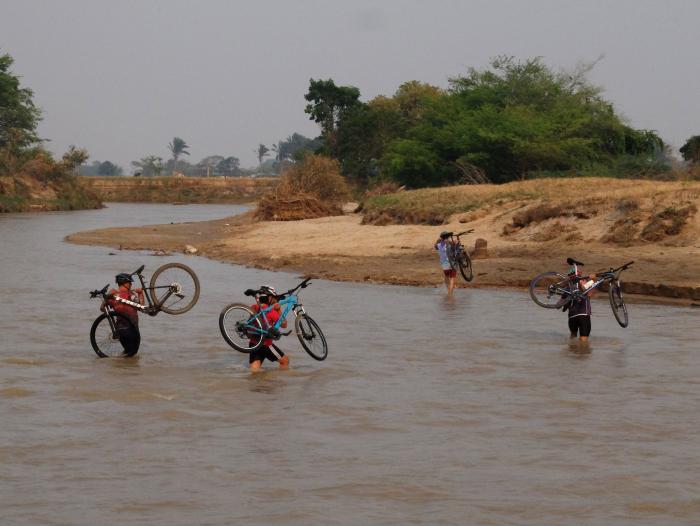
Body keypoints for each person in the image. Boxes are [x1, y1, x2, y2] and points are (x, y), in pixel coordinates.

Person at [248, 285, 290, 371]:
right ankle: (279, 382)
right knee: (285, 361)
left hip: (253, 343)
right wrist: (278, 310)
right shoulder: (271, 311)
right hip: (265, 344)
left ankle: (257, 384)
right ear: (269, 297)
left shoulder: (254, 307)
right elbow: (284, 324)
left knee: (255, 368)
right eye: (274, 298)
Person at [101, 272, 145, 355]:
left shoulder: (114, 296)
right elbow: (141, 306)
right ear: (125, 283)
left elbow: (102, 308)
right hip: (133, 330)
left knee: (127, 352)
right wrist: (140, 293)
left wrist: (107, 297)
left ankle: (118, 364)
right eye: (130, 283)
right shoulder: (131, 295)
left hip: (120, 330)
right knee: (132, 354)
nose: (131, 285)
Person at [563, 262, 596, 342]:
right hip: (583, 315)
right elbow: (590, 294)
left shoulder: (568, 286)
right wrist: (593, 280)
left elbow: (564, 305)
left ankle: (572, 353)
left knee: (573, 338)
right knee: (584, 342)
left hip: (572, 316)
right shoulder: (583, 281)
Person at [434, 231, 456, 295]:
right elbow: (454, 247)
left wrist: (439, 240)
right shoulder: (449, 243)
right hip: (451, 263)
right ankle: (450, 294)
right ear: (447, 237)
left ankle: (448, 290)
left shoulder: (438, 245)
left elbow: (435, 245)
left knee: (446, 276)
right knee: (452, 278)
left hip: (444, 265)